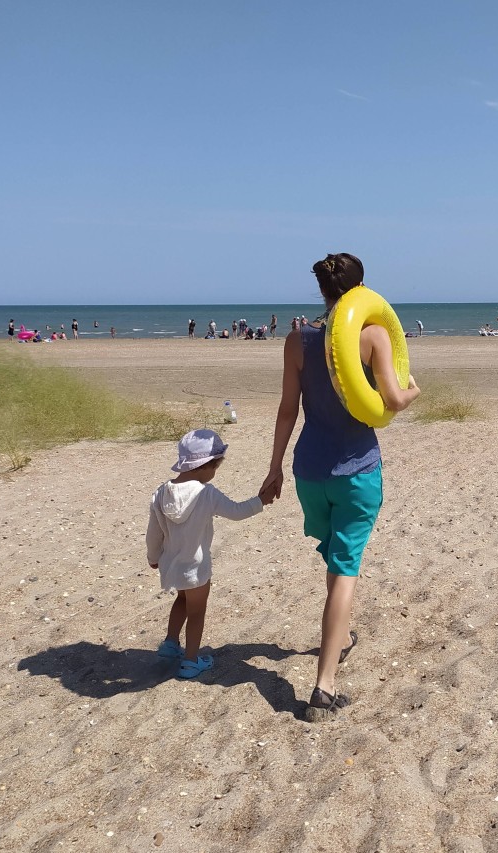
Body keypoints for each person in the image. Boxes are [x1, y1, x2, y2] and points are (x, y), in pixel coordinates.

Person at [262, 253, 420, 722]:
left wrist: (274, 468)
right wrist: (414, 391)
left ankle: (343, 637)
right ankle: (324, 687)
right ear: (362, 290)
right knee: (346, 569)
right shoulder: (373, 335)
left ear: (322, 290)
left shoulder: (296, 340)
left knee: (335, 559)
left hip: (309, 472)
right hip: (356, 471)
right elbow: (391, 399)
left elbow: (287, 410)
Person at [147, 429, 270, 679]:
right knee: (197, 612)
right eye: (215, 467)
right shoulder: (206, 493)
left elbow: (153, 533)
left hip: (171, 565)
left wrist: (152, 557)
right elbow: (237, 511)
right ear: (205, 466)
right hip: (196, 568)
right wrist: (261, 501)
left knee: (181, 599)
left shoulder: (161, 492)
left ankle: (171, 644)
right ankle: (191, 661)